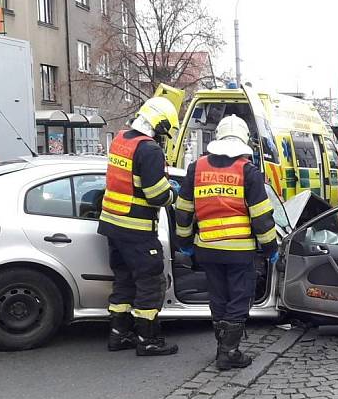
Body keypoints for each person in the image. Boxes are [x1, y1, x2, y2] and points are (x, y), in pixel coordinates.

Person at [174, 114, 278, 370]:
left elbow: (183, 210)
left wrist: (184, 242)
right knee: (239, 299)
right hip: (239, 251)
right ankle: (229, 352)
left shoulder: (196, 168)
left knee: (218, 298)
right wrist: (270, 248)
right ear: (244, 141)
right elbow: (261, 217)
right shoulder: (247, 171)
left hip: (207, 248)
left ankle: (223, 347)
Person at [98, 96, 181, 356]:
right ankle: (148, 340)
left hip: (112, 224)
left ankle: (119, 335)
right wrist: (174, 193)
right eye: (164, 129)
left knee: (123, 280)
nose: (164, 135)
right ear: (158, 123)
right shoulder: (150, 150)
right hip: (137, 228)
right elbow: (157, 195)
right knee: (151, 282)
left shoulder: (121, 140)